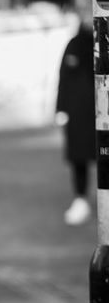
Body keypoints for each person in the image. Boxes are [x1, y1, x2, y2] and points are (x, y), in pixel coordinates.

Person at [55, 17, 96, 226]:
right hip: (78, 114)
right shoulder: (74, 44)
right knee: (79, 157)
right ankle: (81, 199)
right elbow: (63, 78)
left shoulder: (103, 43)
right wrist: (60, 108)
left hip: (102, 113)